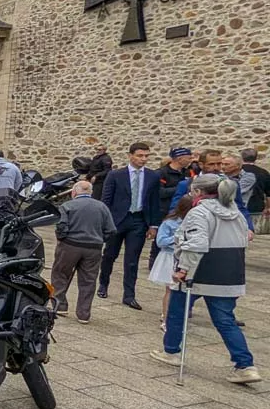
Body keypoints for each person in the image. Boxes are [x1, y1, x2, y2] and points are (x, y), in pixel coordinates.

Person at [151, 175, 260, 384]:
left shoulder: (199, 212)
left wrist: (182, 269)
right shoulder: (235, 214)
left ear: (198, 192)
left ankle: (171, 351)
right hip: (229, 272)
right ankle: (245, 364)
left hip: (199, 271)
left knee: (176, 312)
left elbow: (196, 244)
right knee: (225, 320)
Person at [98, 142, 162, 309]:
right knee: (110, 255)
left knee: (132, 259)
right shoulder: (116, 175)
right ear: (130, 155)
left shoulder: (152, 176)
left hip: (138, 220)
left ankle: (129, 294)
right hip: (117, 220)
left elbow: (155, 201)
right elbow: (106, 199)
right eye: (140, 155)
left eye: (146, 156)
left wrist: (154, 225)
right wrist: (105, 222)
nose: (143, 159)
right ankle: (103, 284)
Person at [51, 181, 116, 324]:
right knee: (88, 280)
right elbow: (111, 230)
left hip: (70, 245)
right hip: (93, 247)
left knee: (60, 274)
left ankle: (60, 305)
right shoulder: (102, 207)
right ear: (91, 192)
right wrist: (99, 239)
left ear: (74, 192)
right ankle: (83, 313)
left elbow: (61, 226)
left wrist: (63, 238)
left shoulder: (67, 206)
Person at [169, 149, 254, 236]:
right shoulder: (186, 184)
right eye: (211, 164)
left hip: (224, 229)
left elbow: (239, 206)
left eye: (219, 164)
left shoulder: (231, 183)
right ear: (201, 165)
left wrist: (248, 227)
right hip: (195, 228)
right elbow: (176, 209)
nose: (216, 167)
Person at [149, 195, 194, 332]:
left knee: (185, 290)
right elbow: (160, 241)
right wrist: (178, 238)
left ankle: (177, 316)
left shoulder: (195, 222)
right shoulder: (170, 222)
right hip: (170, 256)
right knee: (171, 289)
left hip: (187, 257)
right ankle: (166, 318)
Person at [150, 147, 194, 267]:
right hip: (165, 209)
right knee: (161, 237)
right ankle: (154, 263)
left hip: (184, 210)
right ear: (179, 158)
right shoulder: (161, 173)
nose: (191, 160)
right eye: (189, 157)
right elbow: (159, 192)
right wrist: (180, 188)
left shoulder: (188, 172)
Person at [241, 148, 270, 227]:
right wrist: (268, 208)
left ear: (242, 157)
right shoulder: (263, 172)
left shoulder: (238, 171)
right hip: (257, 206)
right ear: (256, 158)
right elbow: (268, 194)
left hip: (239, 205)